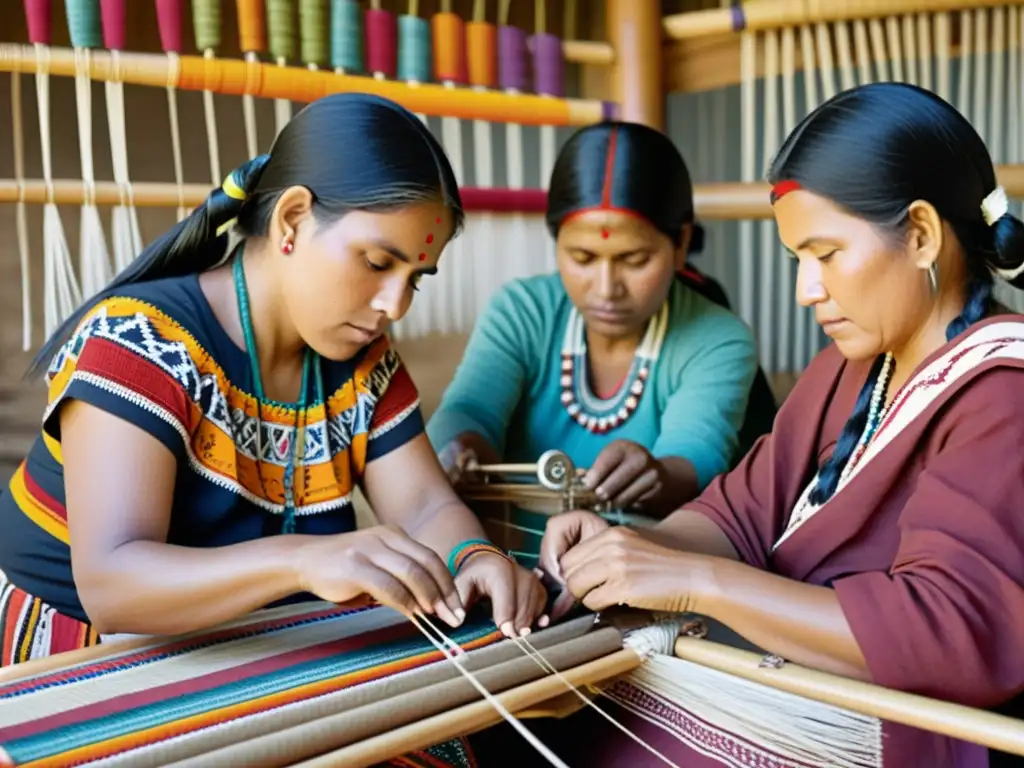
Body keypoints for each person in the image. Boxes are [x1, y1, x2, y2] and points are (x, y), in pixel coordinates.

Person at [0, 93, 546, 768]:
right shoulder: (138, 341)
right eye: (378, 263)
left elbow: (427, 505)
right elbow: (114, 585)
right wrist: (305, 557)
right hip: (89, 656)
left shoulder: (364, 364)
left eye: (416, 279)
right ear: (292, 219)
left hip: (263, 639)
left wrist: (479, 560)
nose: (394, 304)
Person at [518, 81, 1024, 768]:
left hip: (899, 729)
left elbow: (945, 633)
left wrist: (697, 584)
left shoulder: (1003, 393)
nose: (805, 291)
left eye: (826, 254)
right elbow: (736, 516)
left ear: (923, 235)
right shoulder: (851, 370)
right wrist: (626, 551)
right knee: (534, 721)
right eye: (798, 261)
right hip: (793, 683)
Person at [426, 121, 766, 565]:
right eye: (582, 258)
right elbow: (467, 412)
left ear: (680, 242)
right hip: (500, 572)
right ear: (556, 243)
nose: (606, 288)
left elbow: (696, 457)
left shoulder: (718, 340)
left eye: (634, 260)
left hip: (632, 583)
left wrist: (658, 474)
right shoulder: (521, 311)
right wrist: (464, 448)